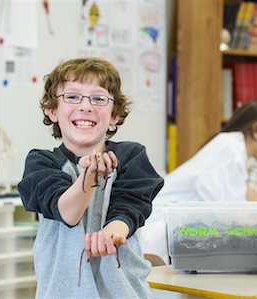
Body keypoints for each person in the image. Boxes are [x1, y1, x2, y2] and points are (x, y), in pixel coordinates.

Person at [17, 57, 164, 298]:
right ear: (53, 111)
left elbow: (130, 207)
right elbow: (67, 212)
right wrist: (89, 177)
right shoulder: (40, 163)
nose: (86, 106)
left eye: (98, 98)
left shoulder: (131, 155)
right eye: (72, 97)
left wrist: (112, 233)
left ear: (114, 115)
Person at [141, 100, 257, 264]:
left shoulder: (232, 148)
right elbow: (232, 213)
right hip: (154, 232)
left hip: (160, 230)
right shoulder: (231, 150)